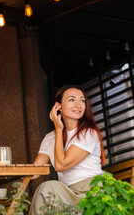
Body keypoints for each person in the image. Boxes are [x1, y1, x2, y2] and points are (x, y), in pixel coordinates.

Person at [28, 84, 106, 215]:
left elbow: (60, 165)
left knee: (49, 187)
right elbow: (35, 171)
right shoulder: (50, 138)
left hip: (92, 192)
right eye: (71, 100)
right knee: (46, 188)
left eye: (82, 100)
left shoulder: (89, 133)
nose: (78, 104)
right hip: (66, 194)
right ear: (58, 106)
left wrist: (59, 129)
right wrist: (6, 169)